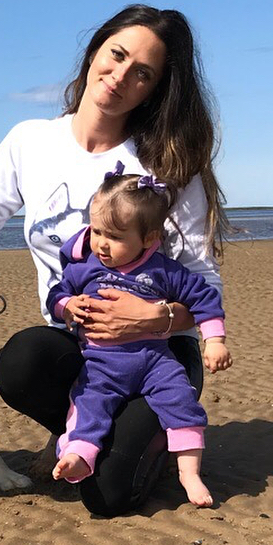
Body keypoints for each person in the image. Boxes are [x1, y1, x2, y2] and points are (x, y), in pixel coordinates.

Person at [0, 3, 231, 517]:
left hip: (160, 353)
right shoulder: (31, 141)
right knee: (21, 362)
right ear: (95, 50)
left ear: (155, 90)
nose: (120, 77)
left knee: (108, 496)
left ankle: (150, 437)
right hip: (84, 350)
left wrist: (155, 316)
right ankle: (81, 427)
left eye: (143, 74)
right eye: (116, 55)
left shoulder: (164, 165)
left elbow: (203, 279)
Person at [47, 173, 232, 507]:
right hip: (100, 364)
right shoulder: (84, 268)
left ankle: (189, 473)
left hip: (154, 360)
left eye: (115, 237)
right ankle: (78, 455)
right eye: (97, 232)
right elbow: (57, 294)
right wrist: (68, 306)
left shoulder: (165, 271)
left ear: (148, 238)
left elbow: (204, 299)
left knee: (182, 404)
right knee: (88, 407)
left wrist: (214, 341)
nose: (101, 244)